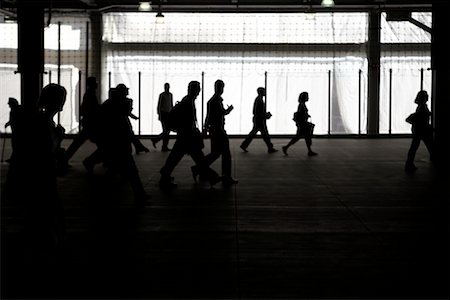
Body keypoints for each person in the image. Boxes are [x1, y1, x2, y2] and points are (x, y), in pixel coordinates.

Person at [159, 81, 221, 189]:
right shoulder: (188, 102)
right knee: (196, 158)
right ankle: (212, 177)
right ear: (195, 90)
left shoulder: (187, 100)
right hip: (188, 136)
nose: (199, 91)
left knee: (177, 157)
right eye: (198, 89)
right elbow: (188, 121)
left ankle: (165, 175)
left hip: (184, 136)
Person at [99, 85, 151, 203]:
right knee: (130, 170)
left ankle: (101, 192)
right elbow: (127, 129)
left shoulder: (110, 105)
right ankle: (139, 194)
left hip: (115, 142)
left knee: (116, 168)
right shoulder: (120, 108)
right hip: (121, 143)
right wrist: (137, 144)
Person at [203, 80, 238, 186]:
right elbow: (221, 113)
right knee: (226, 153)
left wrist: (206, 128)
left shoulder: (212, 101)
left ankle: (199, 168)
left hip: (214, 130)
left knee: (215, 153)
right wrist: (229, 110)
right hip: (219, 130)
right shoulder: (216, 101)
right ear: (221, 88)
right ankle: (226, 176)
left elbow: (208, 116)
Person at [64, 77, 101, 164]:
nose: (97, 84)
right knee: (101, 143)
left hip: (88, 122)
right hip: (90, 123)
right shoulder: (90, 94)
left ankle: (64, 159)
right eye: (95, 82)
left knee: (78, 142)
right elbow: (92, 109)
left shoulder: (89, 94)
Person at [240, 87, 277, 153]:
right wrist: (265, 115)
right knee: (264, 134)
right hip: (259, 120)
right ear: (261, 92)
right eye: (264, 91)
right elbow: (257, 112)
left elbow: (256, 111)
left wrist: (264, 115)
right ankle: (270, 148)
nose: (265, 92)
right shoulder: (259, 100)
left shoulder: (258, 99)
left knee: (255, 134)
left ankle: (244, 145)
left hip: (258, 120)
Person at [115, 84, 149, 155]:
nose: (127, 91)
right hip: (123, 121)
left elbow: (126, 112)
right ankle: (138, 147)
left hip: (121, 121)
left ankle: (138, 147)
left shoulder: (118, 101)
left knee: (130, 135)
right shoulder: (127, 101)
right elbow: (127, 112)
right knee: (129, 135)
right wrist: (133, 116)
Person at [405, 90, 434, 172]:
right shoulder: (423, 107)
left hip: (418, 130)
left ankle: (409, 164)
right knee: (430, 146)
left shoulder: (420, 107)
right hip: (423, 130)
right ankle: (409, 164)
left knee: (414, 147)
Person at [282, 92, 318, 156]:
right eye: (307, 96)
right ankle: (286, 147)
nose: (308, 98)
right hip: (303, 124)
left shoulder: (301, 104)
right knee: (302, 137)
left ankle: (309, 151)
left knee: (302, 137)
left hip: (302, 124)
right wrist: (306, 115)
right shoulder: (302, 105)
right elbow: (301, 114)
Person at [151, 83, 173, 152]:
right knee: (167, 131)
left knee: (166, 131)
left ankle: (157, 140)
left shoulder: (168, 95)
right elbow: (160, 105)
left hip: (166, 114)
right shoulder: (166, 95)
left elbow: (162, 105)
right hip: (164, 114)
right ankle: (163, 145)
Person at [4, 97, 23, 163]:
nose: (9, 106)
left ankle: (15, 158)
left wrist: (8, 123)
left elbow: (14, 120)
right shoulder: (16, 110)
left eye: (10, 104)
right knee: (15, 145)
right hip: (15, 131)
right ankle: (14, 158)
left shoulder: (16, 110)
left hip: (17, 132)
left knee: (16, 145)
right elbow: (12, 120)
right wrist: (8, 123)